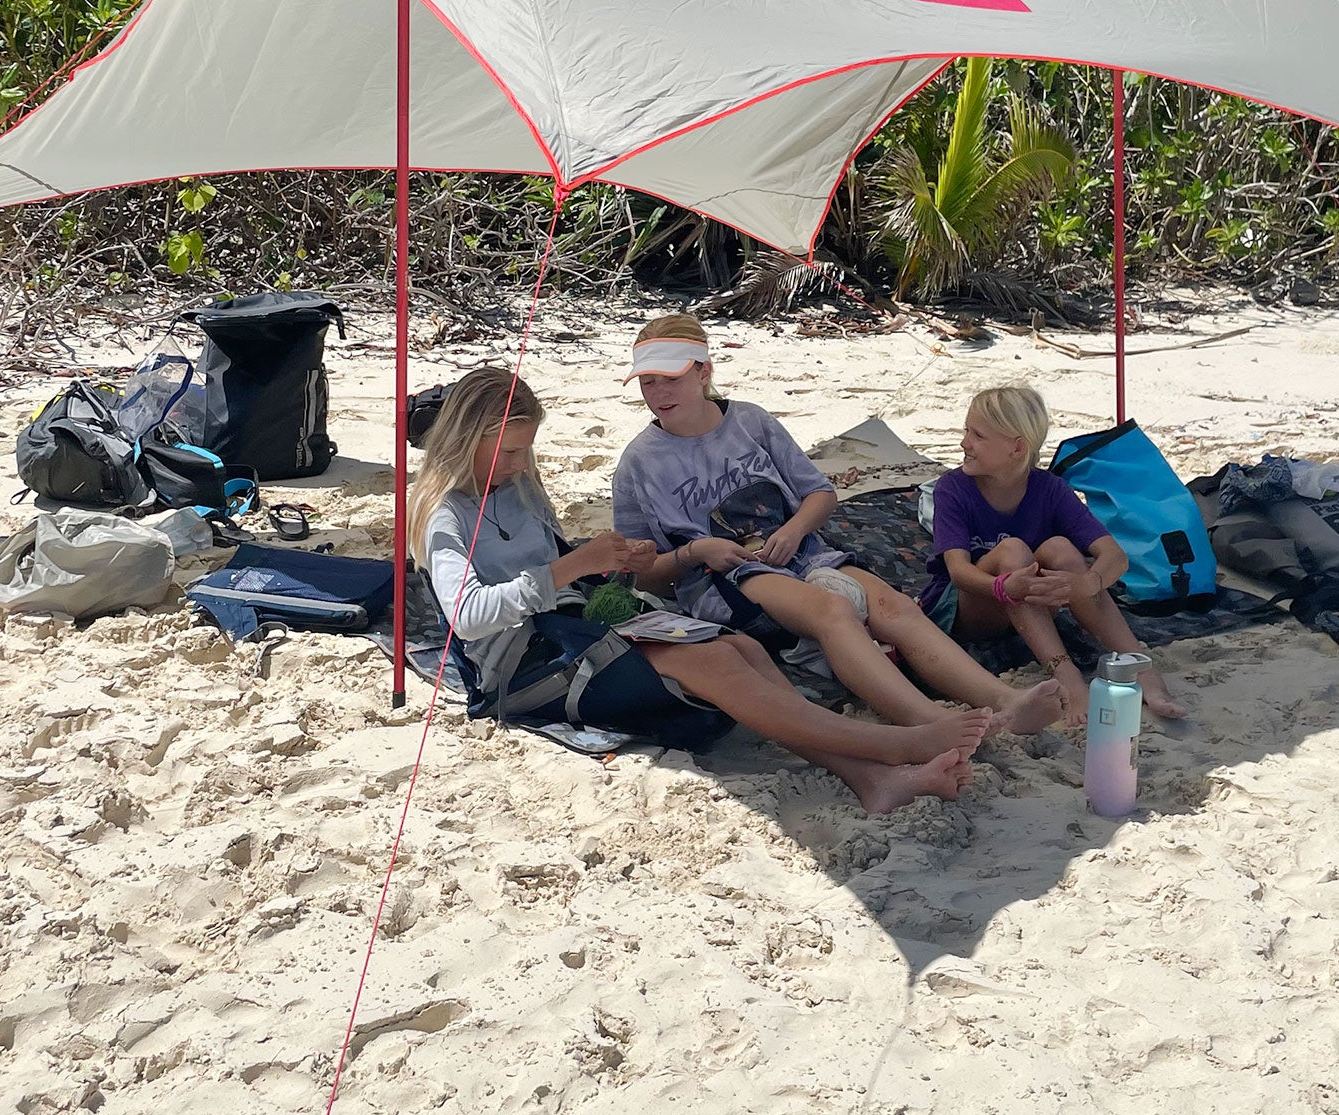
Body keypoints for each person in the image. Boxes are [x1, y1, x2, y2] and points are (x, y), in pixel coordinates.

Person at [410, 366, 988, 814]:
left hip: (572, 628)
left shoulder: (517, 488)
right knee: (710, 660)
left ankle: (873, 780)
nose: (520, 462)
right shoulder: (445, 517)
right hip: (524, 669)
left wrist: (608, 561)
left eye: (525, 449)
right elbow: (469, 615)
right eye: (510, 451)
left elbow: (551, 566)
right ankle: (885, 747)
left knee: (744, 649)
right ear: (467, 440)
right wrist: (566, 571)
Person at [610, 315, 1064, 736]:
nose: (658, 393)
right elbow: (642, 572)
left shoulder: (750, 422)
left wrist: (793, 530)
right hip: (724, 577)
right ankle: (926, 721)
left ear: (704, 372)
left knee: (894, 606)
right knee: (833, 611)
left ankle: (1006, 701)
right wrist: (695, 552)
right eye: (647, 382)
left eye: (670, 379)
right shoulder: (638, 464)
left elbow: (820, 494)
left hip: (800, 550)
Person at [920, 385, 1186, 725]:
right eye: (966, 431)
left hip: (1026, 598)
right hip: (968, 605)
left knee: (1061, 548)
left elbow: (1114, 557)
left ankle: (1138, 664)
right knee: (1014, 550)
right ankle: (1066, 674)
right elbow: (958, 573)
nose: (964, 443)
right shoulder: (953, 488)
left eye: (978, 435)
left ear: (1017, 448)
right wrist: (1004, 588)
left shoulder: (1048, 488)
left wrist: (1088, 583)